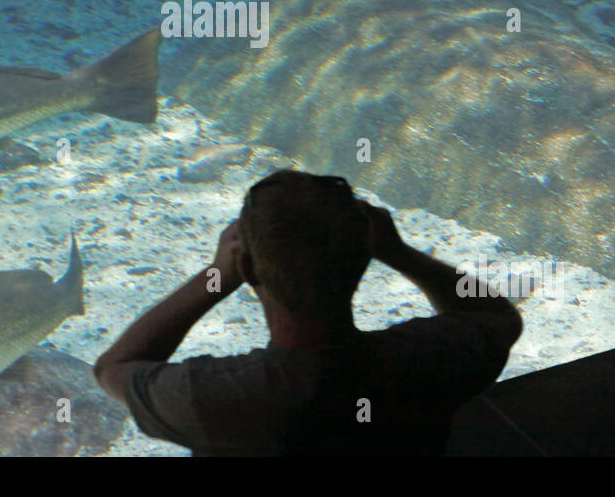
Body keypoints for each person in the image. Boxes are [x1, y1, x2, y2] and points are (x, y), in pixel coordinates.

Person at [94, 169, 523, 456]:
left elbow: (113, 367)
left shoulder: (214, 399)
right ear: (364, 257)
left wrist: (217, 276)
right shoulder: (426, 360)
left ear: (246, 266)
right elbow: (495, 316)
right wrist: (399, 252)